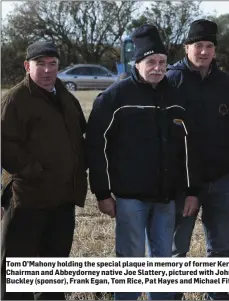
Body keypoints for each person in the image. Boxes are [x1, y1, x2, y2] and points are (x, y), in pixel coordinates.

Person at [86, 24, 200, 300]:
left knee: (163, 262)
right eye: (151, 62)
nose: (158, 68)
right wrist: (102, 193)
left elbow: (189, 148)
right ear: (137, 63)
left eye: (162, 62)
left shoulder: (175, 97)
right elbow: (95, 146)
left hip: (166, 198)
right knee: (130, 261)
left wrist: (192, 190)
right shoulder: (115, 97)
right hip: (130, 199)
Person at [1, 41, 87, 300]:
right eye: (41, 64)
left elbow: (80, 135)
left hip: (62, 200)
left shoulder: (65, 96)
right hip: (28, 200)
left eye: (53, 64)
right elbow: (5, 145)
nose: (48, 70)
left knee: (54, 274)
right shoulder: (17, 99)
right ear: (28, 66)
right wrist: (35, 171)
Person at [166, 19, 229, 300]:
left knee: (222, 250)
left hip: (221, 181)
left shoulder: (225, 83)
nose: (204, 51)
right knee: (176, 250)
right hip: (181, 184)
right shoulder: (170, 81)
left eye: (209, 46)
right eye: (198, 45)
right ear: (186, 47)